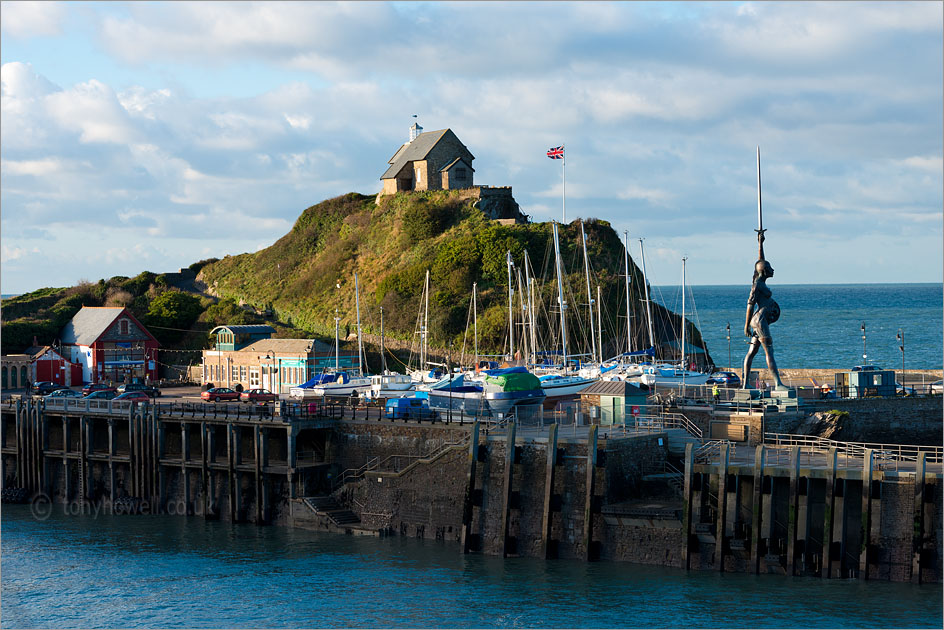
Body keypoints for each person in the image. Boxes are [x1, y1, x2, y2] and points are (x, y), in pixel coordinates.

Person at [742, 231, 785, 389]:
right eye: (770, 268)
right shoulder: (757, 285)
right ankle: (778, 383)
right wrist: (746, 325)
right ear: (764, 271)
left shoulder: (759, 279)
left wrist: (760, 243)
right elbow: (750, 304)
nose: (772, 269)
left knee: (752, 352)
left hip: (760, 320)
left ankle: (745, 385)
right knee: (769, 352)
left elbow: (760, 262)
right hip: (760, 322)